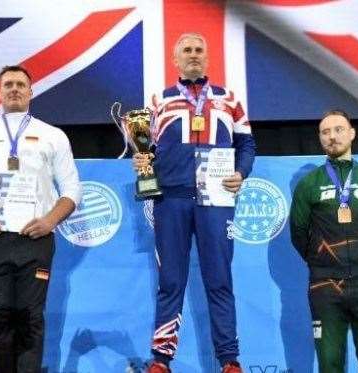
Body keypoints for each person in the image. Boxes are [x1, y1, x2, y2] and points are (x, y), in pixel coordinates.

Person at [133, 33, 255, 373]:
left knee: (219, 280)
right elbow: (147, 150)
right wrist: (143, 162)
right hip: (171, 199)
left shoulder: (229, 99)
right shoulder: (159, 100)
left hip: (216, 200)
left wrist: (241, 173)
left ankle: (229, 361)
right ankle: (161, 361)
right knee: (170, 281)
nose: (193, 55)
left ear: (208, 56)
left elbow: (247, 145)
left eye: (199, 49)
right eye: (186, 50)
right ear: (175, 59)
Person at [0, 65, 82, 372]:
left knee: (30, 315)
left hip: (35, 240)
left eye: (21, 84)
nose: (14, 89)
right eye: (8, 84)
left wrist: (50, 221)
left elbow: (72, 191)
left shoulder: (53, 136)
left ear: (31, 91)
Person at [289, 110, 358, 373]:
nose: (332, 136)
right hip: (325, 284)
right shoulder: (308, 184)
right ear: (320, 138)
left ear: (352, 133)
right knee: (329, 364)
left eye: (338, 129)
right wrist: (322, 260)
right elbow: (298, 233)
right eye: (325, 132)